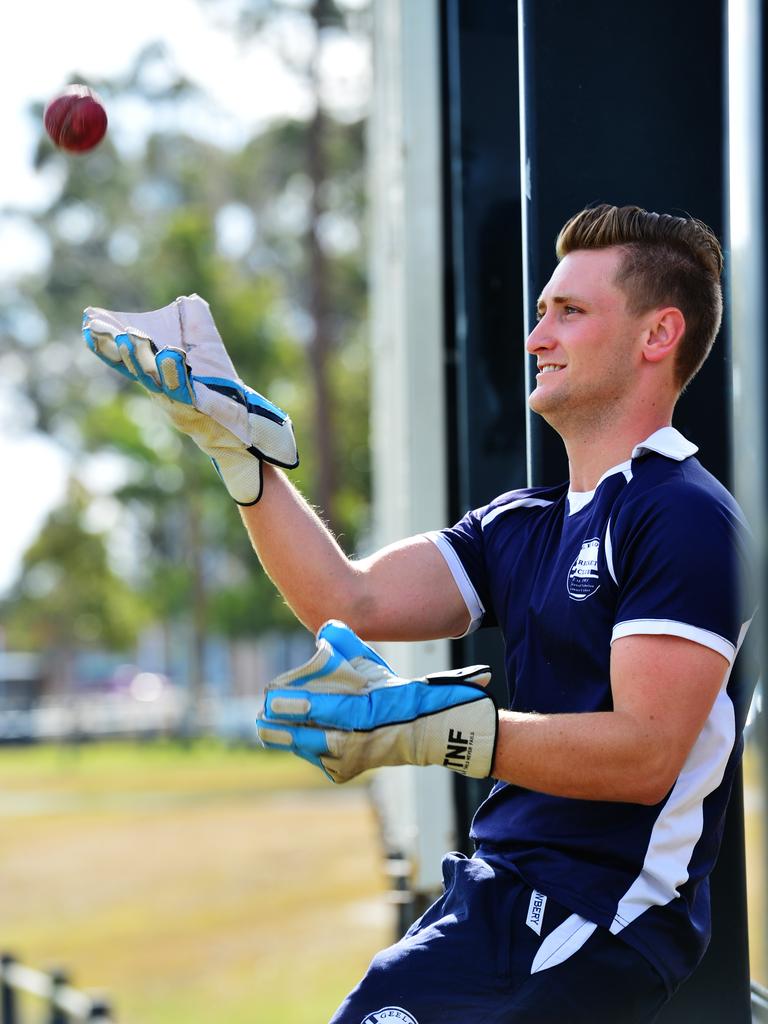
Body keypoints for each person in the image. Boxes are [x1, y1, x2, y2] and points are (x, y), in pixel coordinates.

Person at [83, 204, 757, 1024]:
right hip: (496, 902)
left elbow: (647, 754)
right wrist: (237, 450)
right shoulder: (524, 523)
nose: (537, 336)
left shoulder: (681, 514)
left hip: (595, 921)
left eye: (570, 313)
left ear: (658, 336)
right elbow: (346, 597)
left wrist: (436, 726)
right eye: (542, 312)